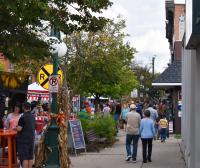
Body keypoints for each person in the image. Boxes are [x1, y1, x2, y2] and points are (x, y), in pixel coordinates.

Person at [15, 102, 35, 168]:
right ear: (29, 108)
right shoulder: (33, 116)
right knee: (30, 157)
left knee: (25, 158)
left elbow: (19, 129)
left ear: (23, 107)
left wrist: (15, 128)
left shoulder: (23, 117)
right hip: (31, 139)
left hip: (23, 140)